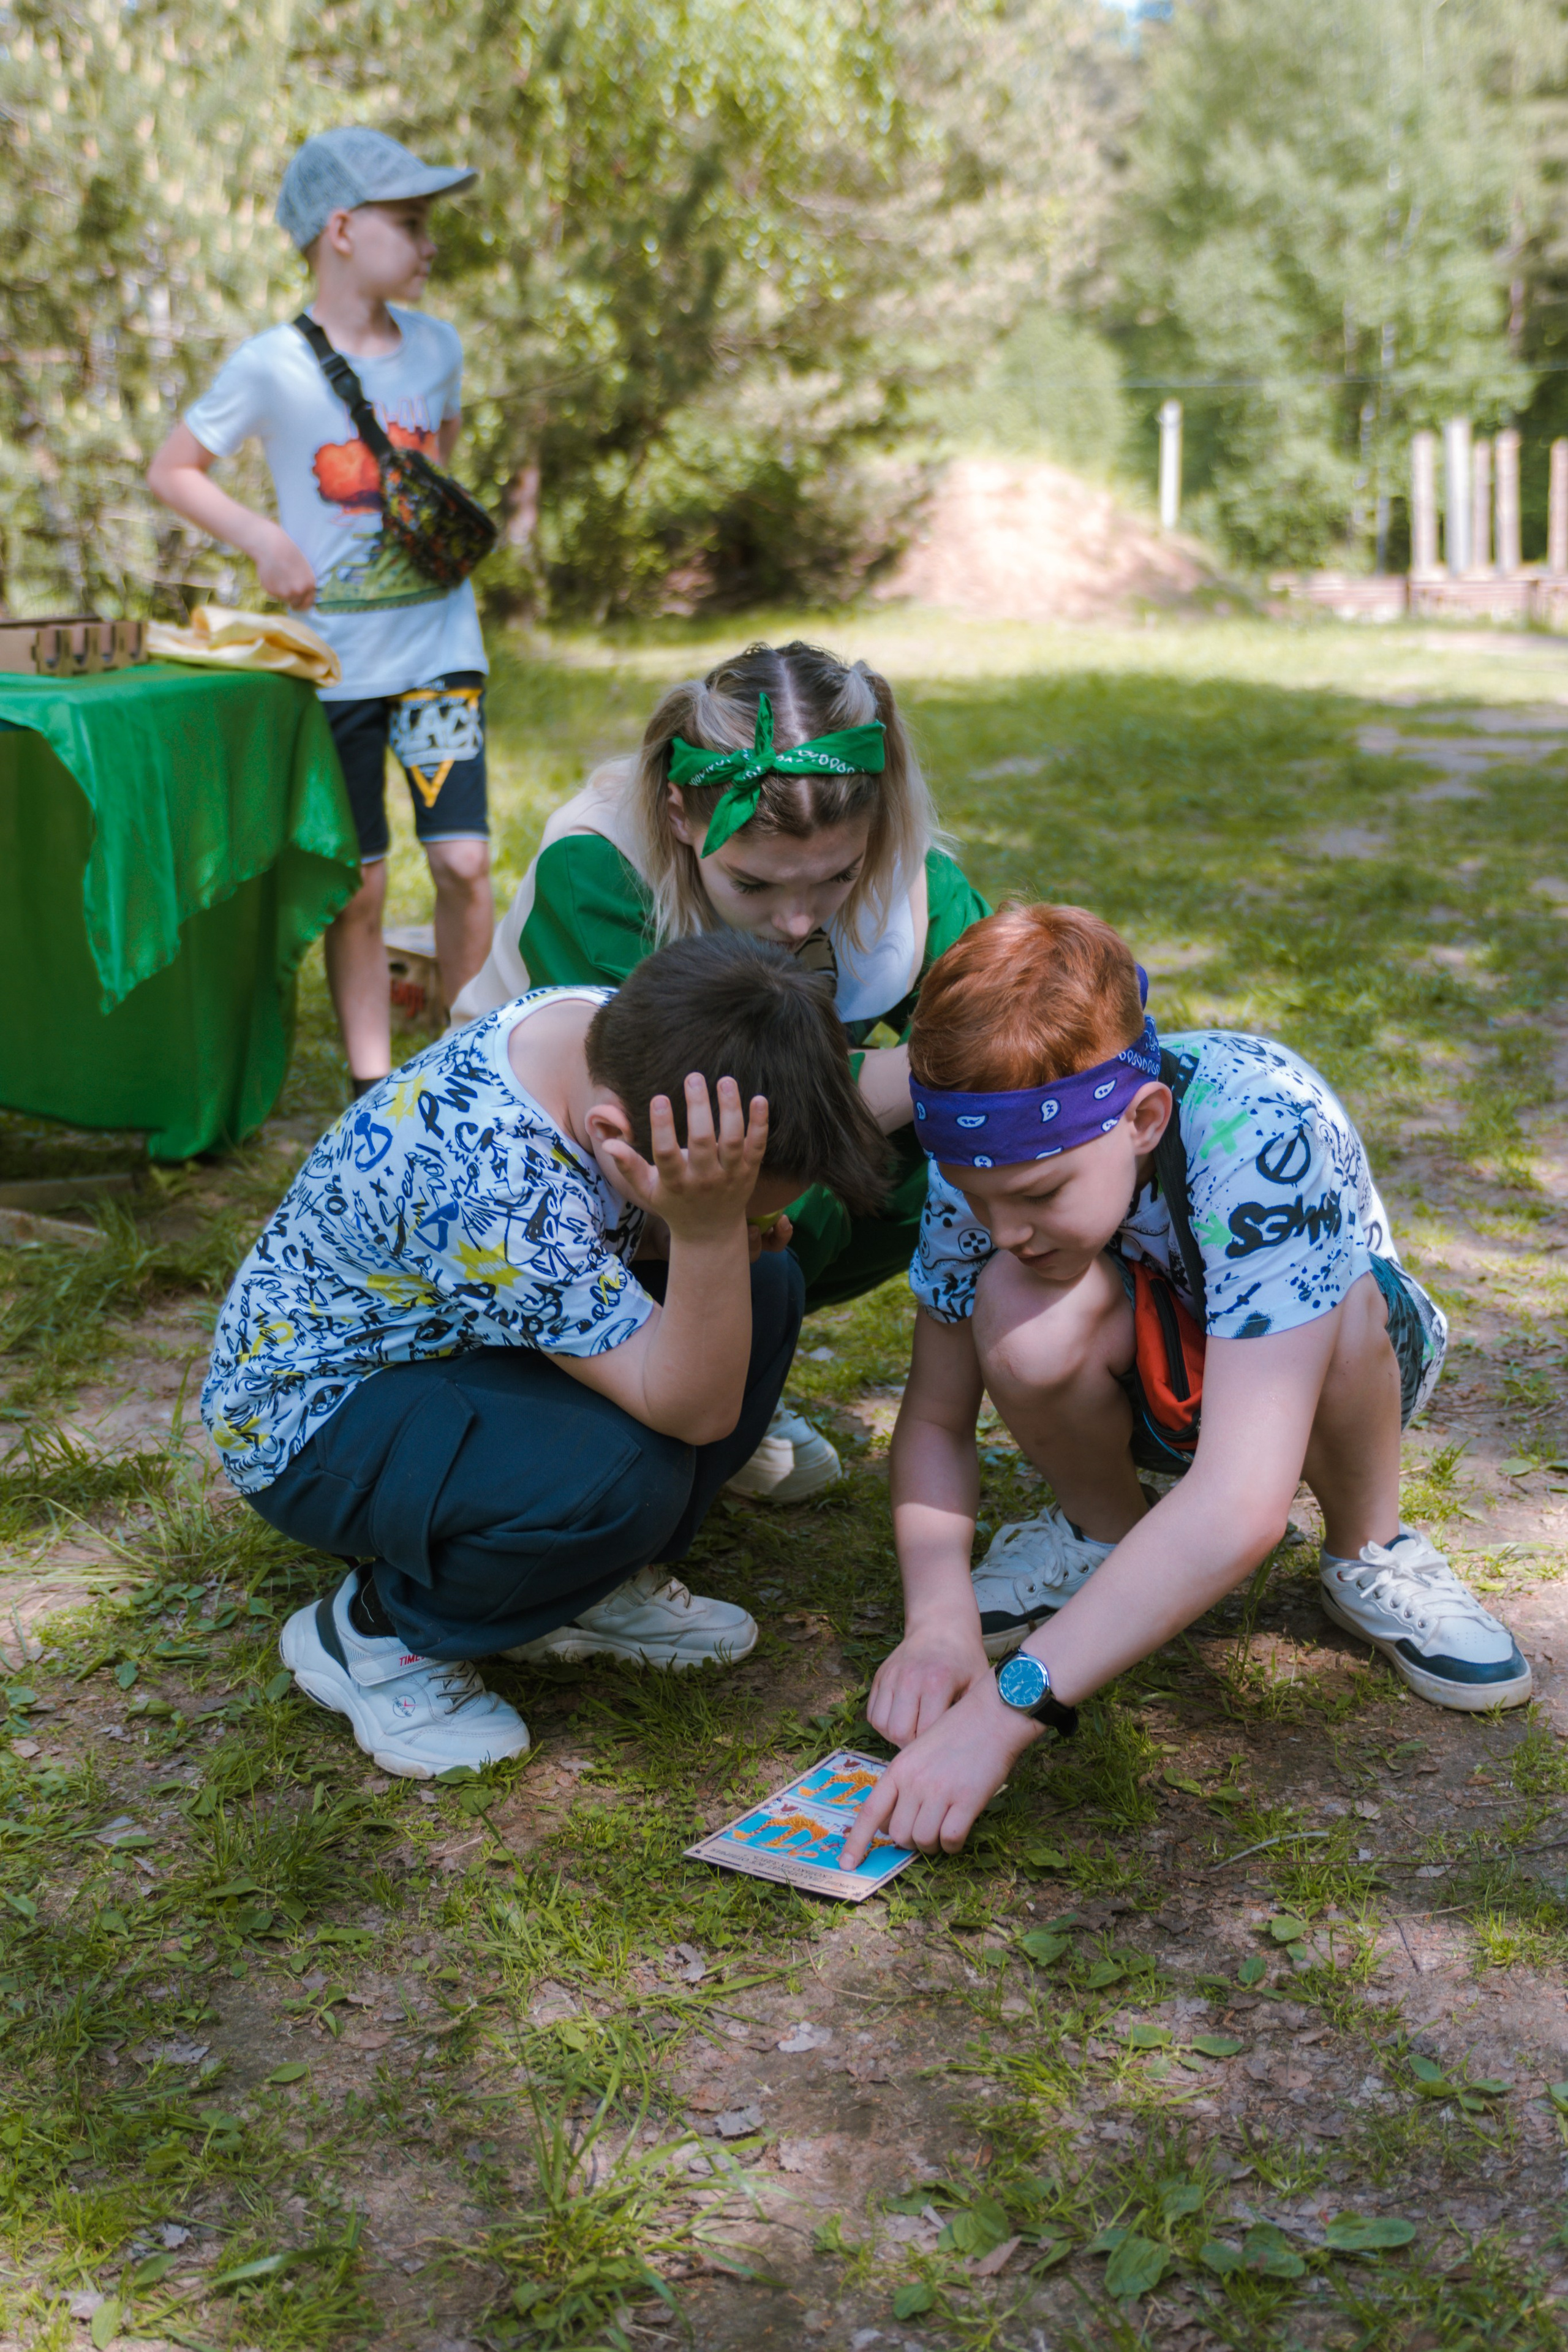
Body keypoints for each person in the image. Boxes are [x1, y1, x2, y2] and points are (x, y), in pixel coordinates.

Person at [840, 903, 1529, 1868]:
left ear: (1144, 1120)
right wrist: (939, 1622)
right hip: (1164, 1378)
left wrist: (1003, 1715)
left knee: (1344, 1305)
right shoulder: (996, 1164)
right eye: (976, 1195)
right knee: (1012, 1298)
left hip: (1338, 1373)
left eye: (1038, 1197)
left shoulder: (1259, 1128)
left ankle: (1371, 1543)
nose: (1002, 1224)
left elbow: (1242, 1505)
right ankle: (1105, 1533)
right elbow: (937, 1420)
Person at [199, 931, 889, 1779]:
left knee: (765, 1282)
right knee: (620, 1473)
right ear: (614, 1135)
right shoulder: (497, 1185)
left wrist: (711, 1235)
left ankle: (589, 1583)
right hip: (317, 1423)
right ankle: (379, 1634)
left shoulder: (625, 1042)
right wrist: (704, 1236)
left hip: (452, 1347)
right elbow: (694, 1409)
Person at [451, 638, 990, 1501]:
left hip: (752, 1120)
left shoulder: (906, 872)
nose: (799, 918)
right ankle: (651, 1366)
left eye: (838, 877)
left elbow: (1007, 1015)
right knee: (758, 1166)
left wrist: (973, 1077)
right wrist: (938, 1074)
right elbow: (686, 1116)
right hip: (580, 1160)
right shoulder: (600, 868)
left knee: (972, 1144)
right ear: (677, 815)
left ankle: (732, 1346)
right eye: (754, 885)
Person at [147, 126, 494, 1095]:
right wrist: (263, 538)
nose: (431, 246)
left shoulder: (438, 347)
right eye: (412, 224)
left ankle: (471, 1070)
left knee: (464, 861)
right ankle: (374, 1086)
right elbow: (172, 469)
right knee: (363, 884)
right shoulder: (271, 364)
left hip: (438, 650)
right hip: (334, 663)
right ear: (341, 228)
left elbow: (443, 479)